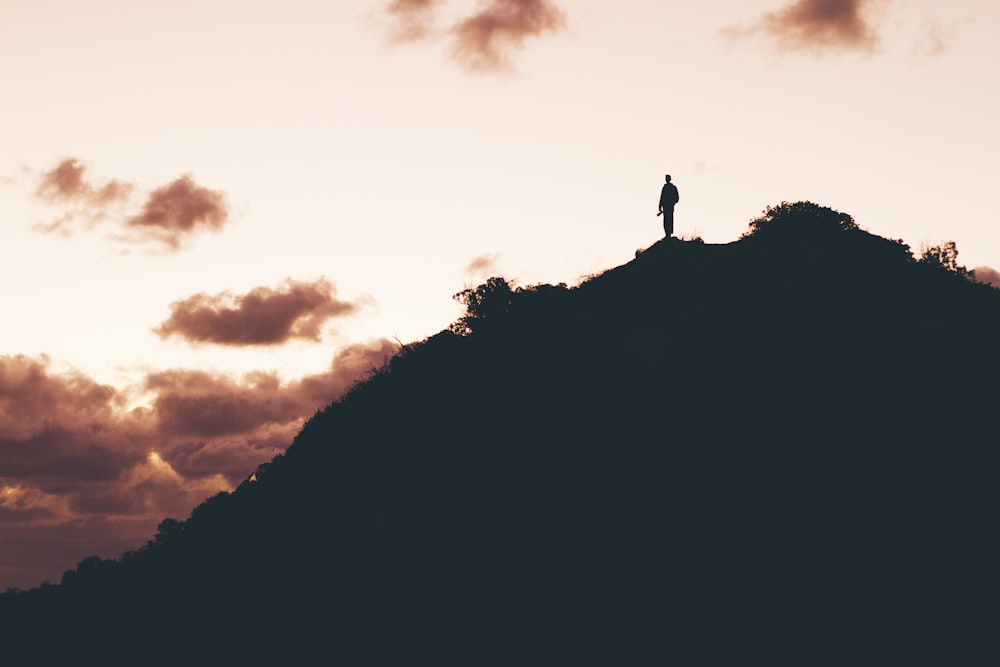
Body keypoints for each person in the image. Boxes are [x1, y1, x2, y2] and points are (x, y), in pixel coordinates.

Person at [658, 174, 680, 238]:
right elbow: (662, 197)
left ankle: (669, 234)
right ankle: (667, 234)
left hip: (669, 207)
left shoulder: (673, 188)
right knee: (666, 220)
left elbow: (676, 198)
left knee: (669, 220)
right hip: (665, 207)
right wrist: (660, 206)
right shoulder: (665, 188)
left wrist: (672, 203)